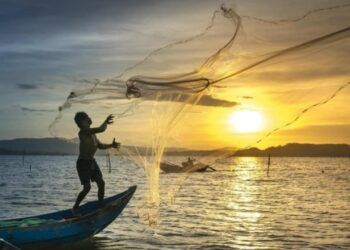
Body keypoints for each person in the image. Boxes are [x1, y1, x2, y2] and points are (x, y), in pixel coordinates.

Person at [72, 112, 120, 216]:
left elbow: (100, 146)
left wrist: (111, 145)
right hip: (83, 163)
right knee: (87, 188)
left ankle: (100, 204)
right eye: (87, 118)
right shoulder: (83, 132)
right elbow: (101, 129)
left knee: (101, 183)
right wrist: (106, 121)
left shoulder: (93, 134)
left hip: (91, 162)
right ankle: (75, 208)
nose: (89, 118)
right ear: (82, 122)